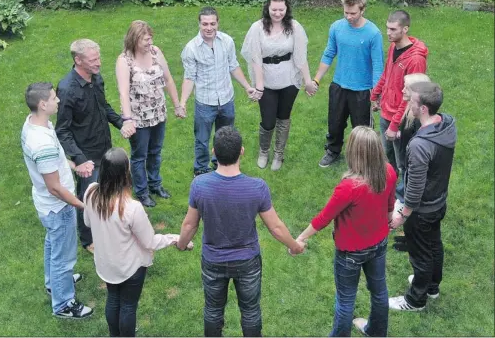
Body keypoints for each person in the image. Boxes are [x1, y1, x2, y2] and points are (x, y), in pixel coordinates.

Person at [176, 126, 305, 337]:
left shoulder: (200, 185)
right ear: (242, 152)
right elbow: (275, 227)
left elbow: (189, 225)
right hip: (248, 262)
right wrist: (295, 246)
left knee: (213, 310)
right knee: (251, 312)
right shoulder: (257, 187)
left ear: (214, 152)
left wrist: (181, 245)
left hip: (213, 260)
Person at [296, 126, 397, 337]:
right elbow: (390, 204)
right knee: (379, 291)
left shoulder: (349, 187)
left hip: (350, 252)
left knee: (345, 301)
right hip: (379, 243)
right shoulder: (388, 172)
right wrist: (389, 221)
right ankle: (377, 332)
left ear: (354, 153)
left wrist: (301, 238)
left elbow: (323, 218)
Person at [84, 147, 192, 336]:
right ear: (124, 174)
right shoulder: (132, 208)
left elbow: (87, 221)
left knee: (113, 299)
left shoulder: (91, 192)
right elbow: (149, 242)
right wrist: (174, 238)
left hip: (105, 263)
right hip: (130, 267)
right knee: (127, 305)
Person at [21, 82, 93, 319]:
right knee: (64, 256)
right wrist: (81, 205)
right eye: (53, 98)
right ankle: (63, 303)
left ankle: (54, 283)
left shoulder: (34, 123)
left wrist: (74, 165)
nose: (58, 101)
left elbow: (54, 166)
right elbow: (54, 187)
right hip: (57, 207)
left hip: (46, 204)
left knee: (53, 244)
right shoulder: (42, 144)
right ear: (43, 104)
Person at [56, 39, 134, 253]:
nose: (99, 63)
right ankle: (88, 239)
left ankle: (109, 226)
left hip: (105, 148)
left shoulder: (96, 79)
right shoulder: (67, 89)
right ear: (78, 60)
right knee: (88, 197)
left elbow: (104, 107)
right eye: (93, 60)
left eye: (98, 58)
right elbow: (62, 130)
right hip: (86, 156)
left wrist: (121, 123)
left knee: (110, 191)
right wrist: (79, 159)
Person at [389, 82, 457, 311]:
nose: (408, 103)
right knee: (434, 245)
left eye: (412, 101)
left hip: (423, 210)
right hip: (439, 202)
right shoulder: (447, 124)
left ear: (424, 109)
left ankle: (415, 300)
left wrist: (403, 214)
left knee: (421, 256)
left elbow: (415, 187)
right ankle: (432, 287)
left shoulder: (419, 145)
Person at [241, 0, 317, 171]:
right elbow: (255, 59)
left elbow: (300, 56)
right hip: (266, 79)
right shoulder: (257, 28)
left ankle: (278, 154)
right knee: (268, 120)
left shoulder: (294, 27)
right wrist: (259, 86)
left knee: (284, 117)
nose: (277, 13)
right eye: (274, 9)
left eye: (281, 10)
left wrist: (307, 81)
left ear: (286, 8)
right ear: (268, 8)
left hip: (289, 80)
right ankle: (264, 151)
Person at [180, 7, 257, 177]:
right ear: (199, 24)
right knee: (202, 139)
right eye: (205, 24)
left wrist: (247, 86)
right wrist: (183, 102)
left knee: (225, 138)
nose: (209, 28)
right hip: (205, 103)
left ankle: (220, 164)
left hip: (226, 99)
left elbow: (233, 66)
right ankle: (200, 168)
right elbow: (189, 77)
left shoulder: (227, 41)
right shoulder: (191, 48)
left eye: (212, 24)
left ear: (218, 23)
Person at [116, 20, 184, 208]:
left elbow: (168, 79)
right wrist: (128, 119)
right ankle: (142, 191)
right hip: (139, 118)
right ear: (134, 39)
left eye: (150, 38)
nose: (149, 42)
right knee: (139, 156)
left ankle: (155, 184)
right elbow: (123, 92)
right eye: (145, 39)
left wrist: (177, 105)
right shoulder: (124, 60)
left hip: (158, 114)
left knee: (155, 151)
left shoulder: (156, 52)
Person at [313, 0, 384, 168]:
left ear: (362, 10)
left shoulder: (373, 33)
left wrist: (376, 95)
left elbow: (378, 66)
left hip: (362, 90)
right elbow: (329, 53)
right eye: (346, 12)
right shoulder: (336, 27)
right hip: (338, 86)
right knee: (334, 123)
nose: (349, 17)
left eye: (353, 13)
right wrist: (316, 79)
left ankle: (362, 159)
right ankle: (332, 151)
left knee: (361, 129)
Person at [370, 10, 428, 181]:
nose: (388, 33)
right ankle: (390, 187)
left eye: (393, 29)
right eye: (387, 28)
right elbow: (386, 75)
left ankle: (405, 196)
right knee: (387, 156)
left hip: (402, 118)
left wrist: (394, 126)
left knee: (403, 161)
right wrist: (375, 95)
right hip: (386, 112)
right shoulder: (393, 46)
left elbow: (410, 98)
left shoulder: (416, 59)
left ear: (405, 29)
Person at [391, 73, 431, 252]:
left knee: (413, 204)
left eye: (406, 87)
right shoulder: (410, 109)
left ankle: (411, 240)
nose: (402, 89)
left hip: (413, 167)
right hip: (407, 164)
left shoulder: (418, 120)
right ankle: (408, 236)